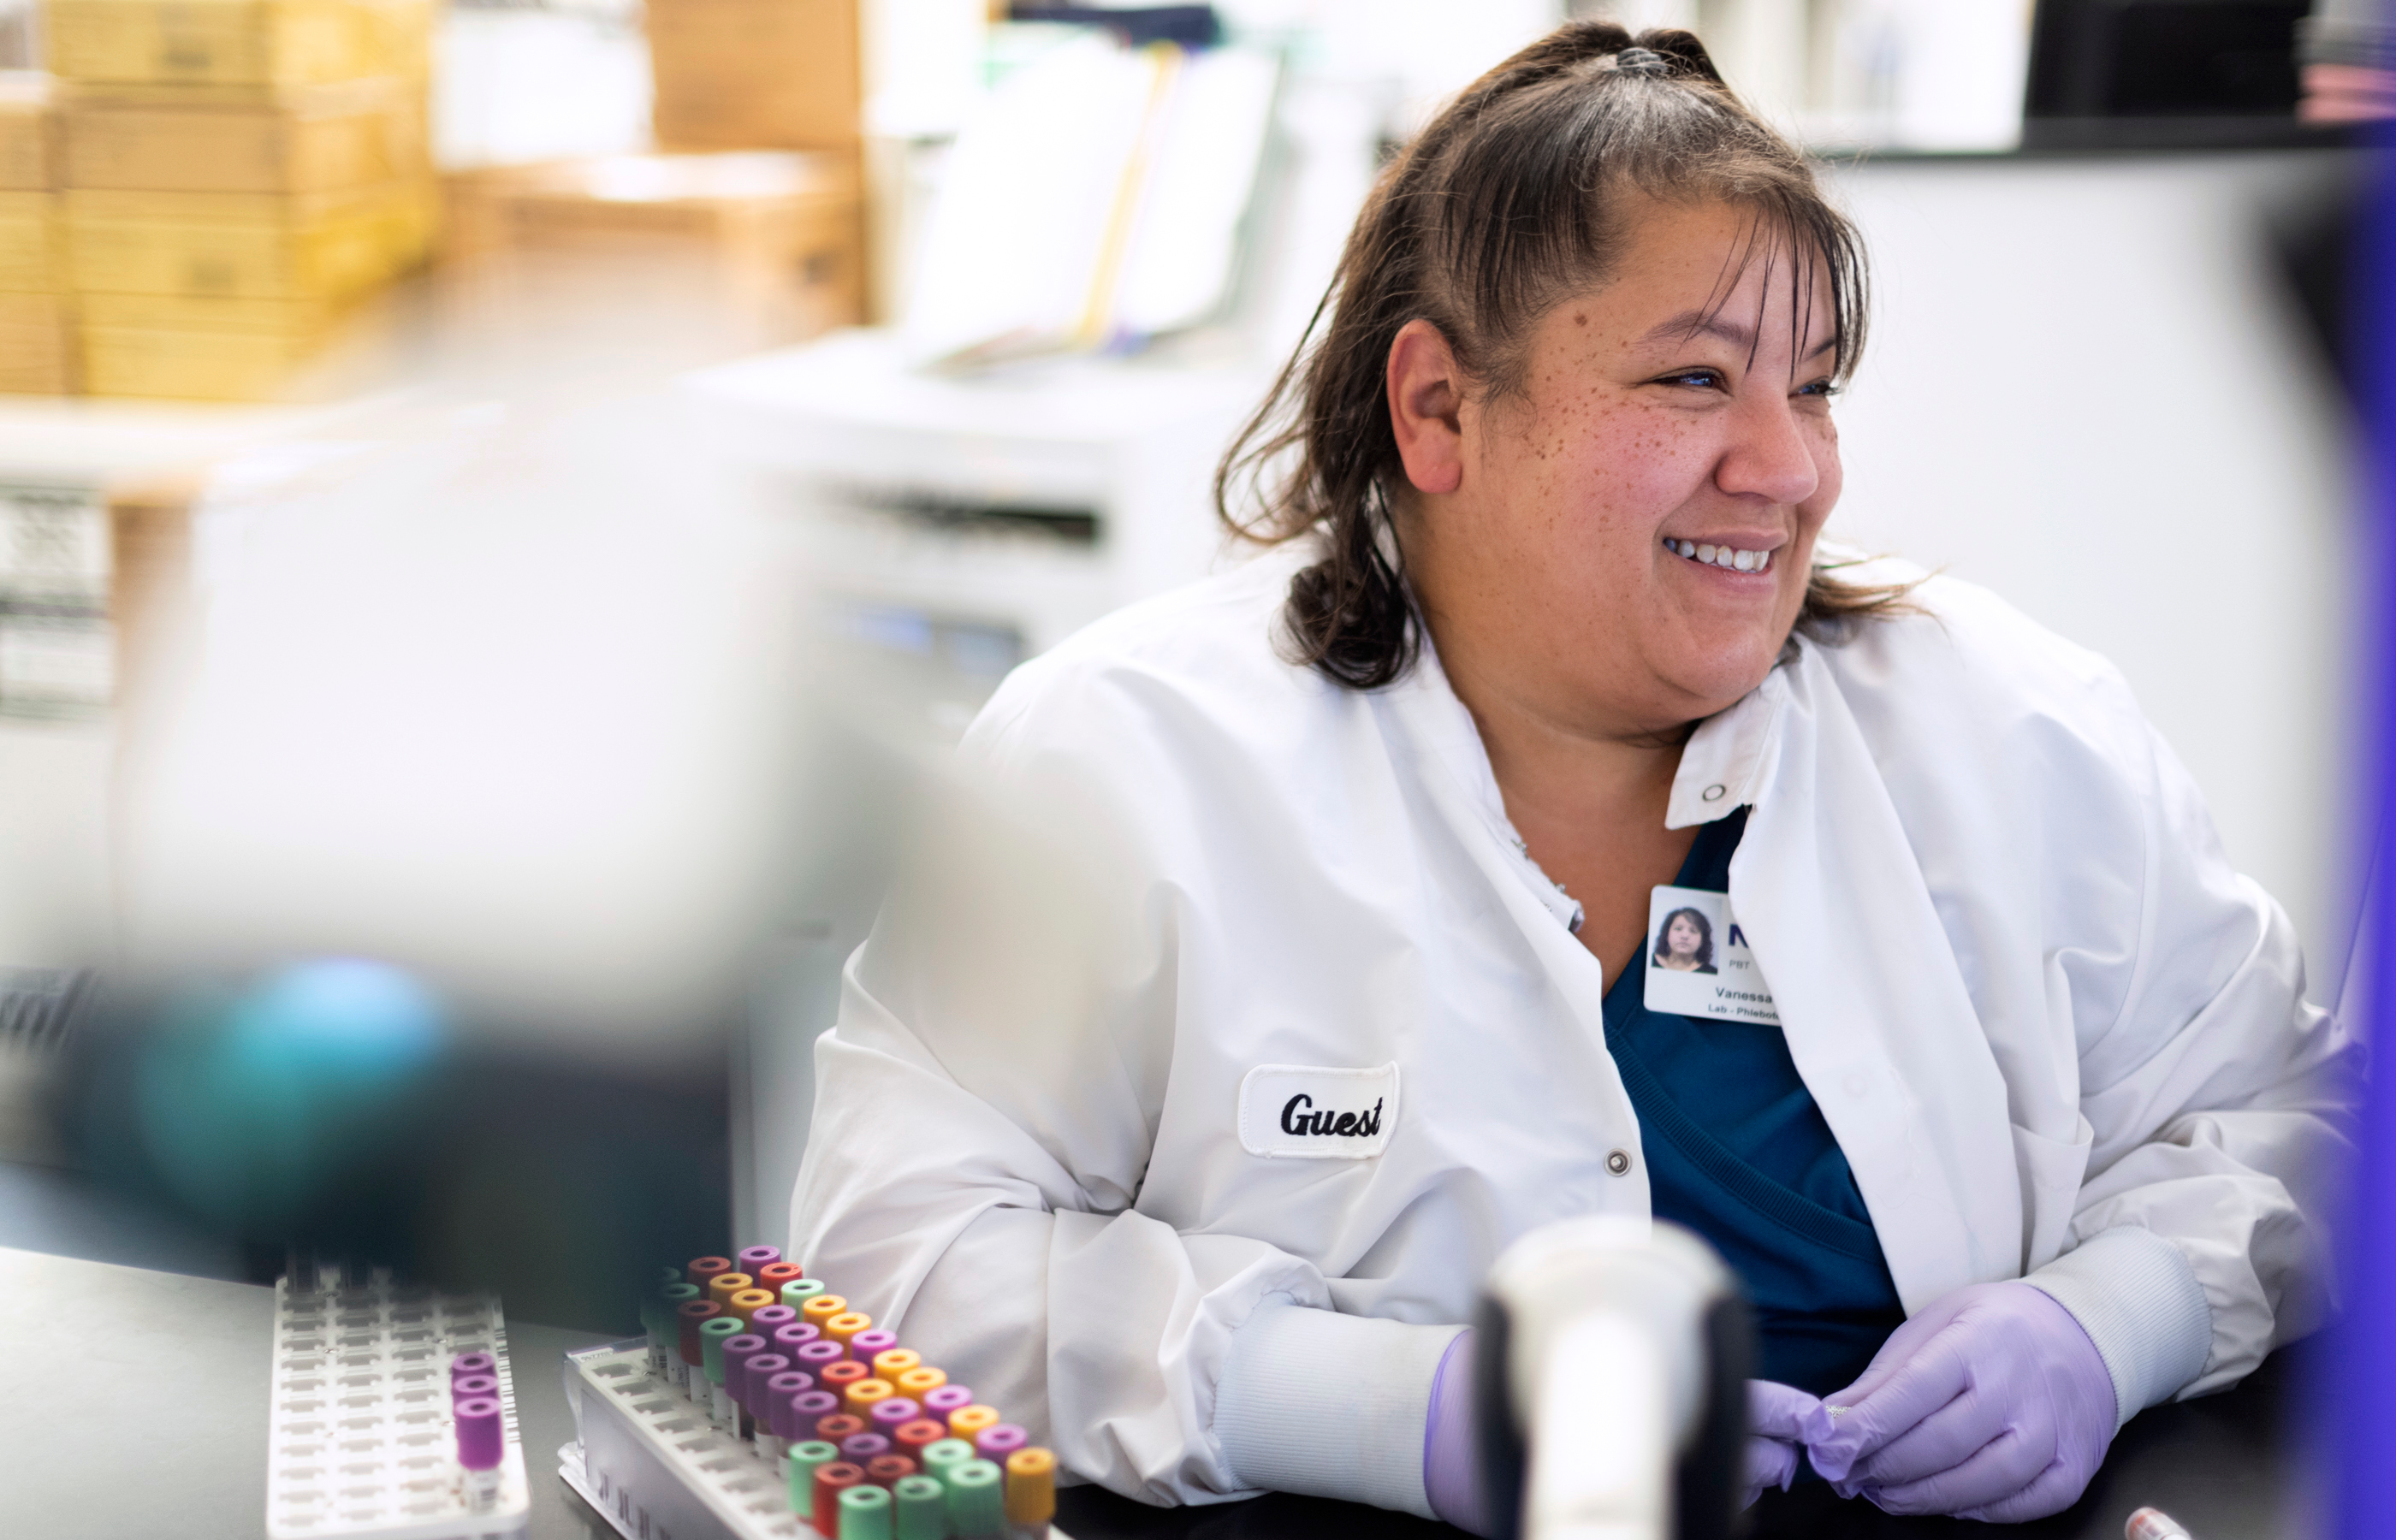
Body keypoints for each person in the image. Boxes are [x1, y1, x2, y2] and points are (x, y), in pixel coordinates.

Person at [792, 22, 2352, 1529]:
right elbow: (897, 1252)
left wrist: (2111, 1320)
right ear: (1438, 408)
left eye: (1813, 385)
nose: (1790, 467)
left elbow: (2304, 1123)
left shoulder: (2016, 737)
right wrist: (1380, 1407)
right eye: (1694, 381)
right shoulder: (1128, 763)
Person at [1652, 906, 1717, 974]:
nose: (1684, 936)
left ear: (1703, 940)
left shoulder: (1711, 972)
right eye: (1678, 929)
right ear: (1666, 934)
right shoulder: (1649, 961)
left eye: (1693, 931)